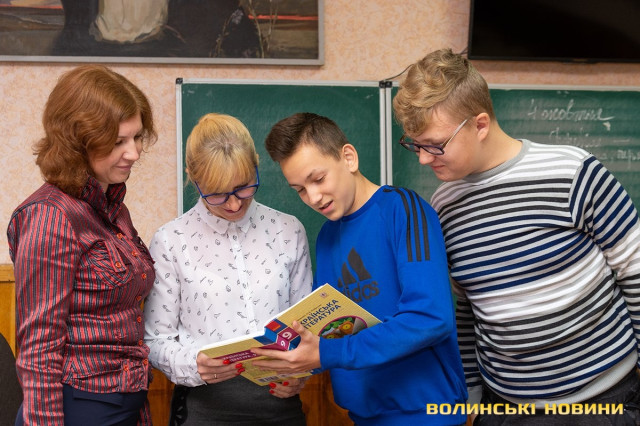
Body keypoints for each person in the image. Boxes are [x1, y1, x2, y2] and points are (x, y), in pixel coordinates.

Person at [392, 48, 640, 425]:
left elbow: (635, 272)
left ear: (479, 125)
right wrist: (472, 394)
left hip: (603, 401)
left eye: (435, 145)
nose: (424, 159)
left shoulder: (574, 172)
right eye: (415, 145)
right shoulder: (443, 206)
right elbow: (466, 309)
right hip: (506, 407)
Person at [252, 112, 468, 426]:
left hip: (425, 414)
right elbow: (330, 330)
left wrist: (325, 354)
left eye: (318, 179)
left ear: (349, 158)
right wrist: (300, 367)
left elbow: (430, 317)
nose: (313, 197)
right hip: (360, 415)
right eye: (300, 189)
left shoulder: (403, 209)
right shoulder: (327, 236)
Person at [7, 64, 158, 426]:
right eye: (118, 142)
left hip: (125, 400)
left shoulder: (114, 208)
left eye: (137, 137)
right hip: (78, 405)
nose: (134, 153)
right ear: (78, 142)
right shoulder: (49, 216)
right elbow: (39, 349)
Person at [143, 113, 313, 425]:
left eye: (244, 188)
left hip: (281, 409)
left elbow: (305, 326)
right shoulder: (171, 241)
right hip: (203, 410)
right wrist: (194, 364)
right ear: (192, 178)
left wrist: (301, 371)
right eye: (217, 193)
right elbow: (155, 340)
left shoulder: (288, 230)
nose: (233, 205)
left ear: (256, 165)